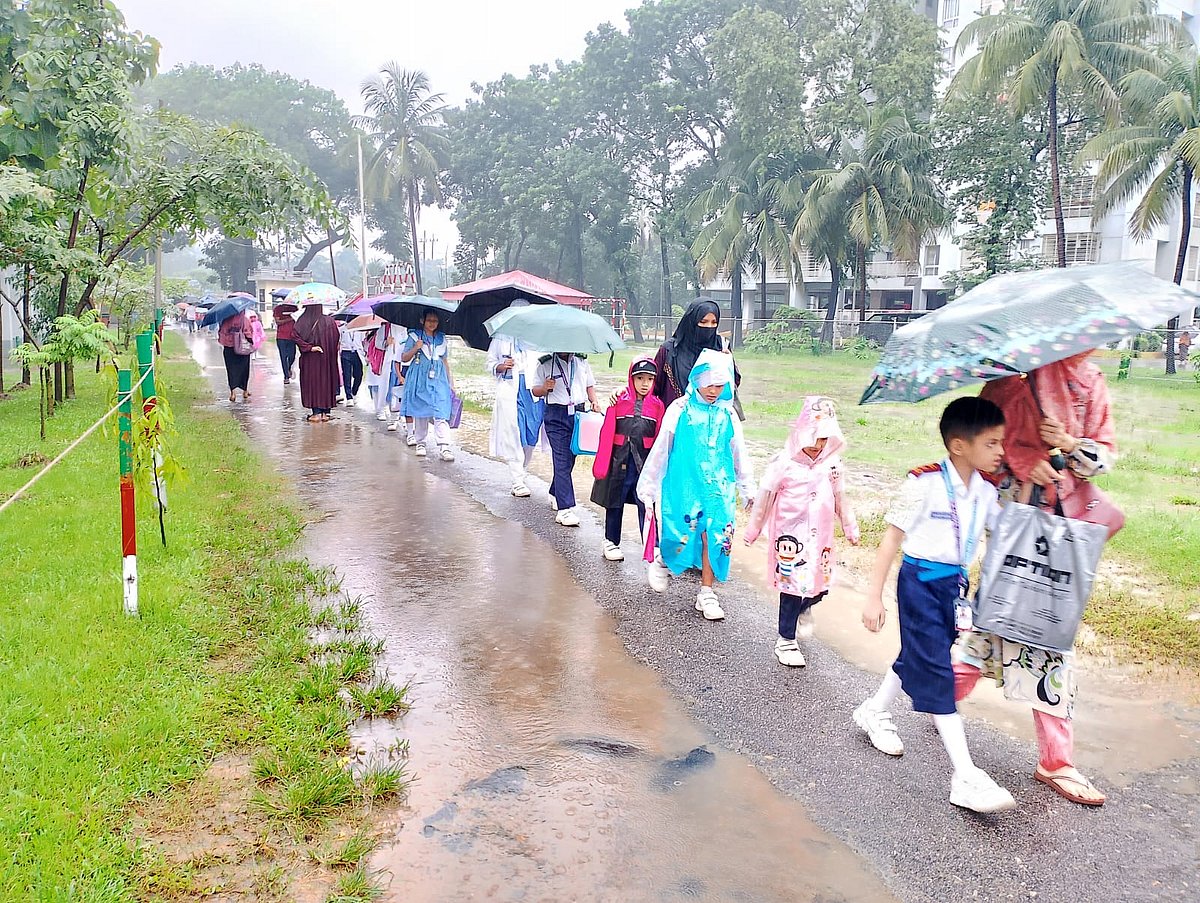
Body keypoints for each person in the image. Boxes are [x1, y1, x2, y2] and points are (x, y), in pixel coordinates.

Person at [954, 356, 1118, 807]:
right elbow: (978, 445)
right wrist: (1024, 459)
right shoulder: (1011, 380)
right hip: (1014, 520)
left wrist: (1068, 444)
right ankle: (943, 699)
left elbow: (1103, 455)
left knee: (1048, 631)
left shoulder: (1091, 380)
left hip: (1064, 530)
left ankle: (1055, 758)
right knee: (996, 618)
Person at [855, 396, 1013, 815]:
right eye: (993, 443)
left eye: (1002, 443)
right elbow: (891, 539)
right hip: (920, 584)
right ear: (959, 445)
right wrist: (873, 597)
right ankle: (964, 774)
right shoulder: (923, 483)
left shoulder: (986, 491)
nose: (1001, 451)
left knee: (919, 653)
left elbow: (1005, 532)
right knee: (937, 671)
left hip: (954, 588)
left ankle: (873, 710)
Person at [637, 349, 755, 620]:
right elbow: (662, 448)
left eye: (720, 384)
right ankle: (663, 559)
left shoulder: (729, 415)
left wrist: (747, 486)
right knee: (680, 526)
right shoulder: (679, 409)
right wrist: (650, 483)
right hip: (684, 483)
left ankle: (707, 592)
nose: (715, 390)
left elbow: (739, 452)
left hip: (718, 487)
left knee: (713, 536)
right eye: (710, 384)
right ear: (698, 379)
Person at [744, 396, 860, 667]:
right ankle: (785, 639)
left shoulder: (832, 465)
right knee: (791, 586)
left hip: (820, 540)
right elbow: (765, 498)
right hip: (791, 538)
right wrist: (753, 529)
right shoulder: (783, 462)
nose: (819, 445)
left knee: (820, 585)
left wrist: (849, 526)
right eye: (815, 438)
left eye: (825, 439)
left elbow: (841, 498)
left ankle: (806, 607)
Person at [591, 357, 666, 561]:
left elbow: (660, 438)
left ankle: (653, 546)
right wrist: (601, 464)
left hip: (644, 465)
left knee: (646, 503)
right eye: (639, 378)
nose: (644, 383)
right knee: (615, 501)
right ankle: (611, 541)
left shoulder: (658, 406)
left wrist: (660, 469)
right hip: (619, 461)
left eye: (649, 379)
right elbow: (607, 433)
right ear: (631, 379)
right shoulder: (619, 401)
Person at [532, 352, 599, 526]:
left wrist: (595, 401)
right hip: (556, 414)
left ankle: (556, 491)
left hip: (578, 413)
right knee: (561, 458)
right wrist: (545, 387)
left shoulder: (581, 361)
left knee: (570, 457)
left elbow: (589, 385)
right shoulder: (545, 364)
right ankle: (565, 509)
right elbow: (535, 390)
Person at [486, 304, 543, 497]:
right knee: (513, 432)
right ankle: (517, 479)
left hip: (532, 390)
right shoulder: (500, 337)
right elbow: (490, 363)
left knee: (531, 432)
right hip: (510, 389)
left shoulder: (538, 336)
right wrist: (502, 366)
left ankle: (522, 469)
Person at [653, 297, 740, 408]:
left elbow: (731, 385)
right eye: (703, 322)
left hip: (710, 420)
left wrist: (727, 364)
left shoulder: (721, 346)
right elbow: (653, 386)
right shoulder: (670, 350)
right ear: (691, 321)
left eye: (714, 322)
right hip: (676, 418)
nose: (709, 327)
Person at [399, 309, 456, 461]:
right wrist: (416, 347)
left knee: (441, 411)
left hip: (438, 378)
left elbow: (444, 361)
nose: (432, 323)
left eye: (435, 321)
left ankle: (444, 446)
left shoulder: (442, 339)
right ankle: (421, 442)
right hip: (419, 377)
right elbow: (404, 358)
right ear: (422, 320)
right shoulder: (414, 336)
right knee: (421, 410)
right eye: (429, 320)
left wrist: (451, 382)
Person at [293, 299, 341, 422]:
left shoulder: (301, 321)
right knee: (326, 382)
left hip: (310, 360)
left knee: (313, 384)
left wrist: (309, 347)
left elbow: (295, 336)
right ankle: (325, 413)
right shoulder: (329, 321)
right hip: (327, 359)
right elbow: (336, 339)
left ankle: (316, 413)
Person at [217, 308, 255, 403]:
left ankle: (232, 393)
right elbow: (248, 333)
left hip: (229, 348)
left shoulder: (225, 320)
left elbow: (221, 332)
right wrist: (251, 342)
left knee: (231, 370)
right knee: (244, 370)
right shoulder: (244, 320)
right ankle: (245, 391)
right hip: (242, 348)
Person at [339, 321, 365, 406]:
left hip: (357, 352)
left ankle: (354, 392)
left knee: (359, 374)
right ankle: (349, 397)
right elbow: (339, 342)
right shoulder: (342, 328)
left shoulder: (360, 329)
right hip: (346, 352)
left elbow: (363, 342)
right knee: (347, 375)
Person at [274, 306, 298, 384]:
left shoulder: (294, 308)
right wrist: (290, 318)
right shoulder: (278, 309)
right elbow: (278, 322)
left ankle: (288, 368)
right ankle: (286, 376)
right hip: (281, 337)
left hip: (292, 337)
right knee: (283, 357)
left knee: (292, 356)